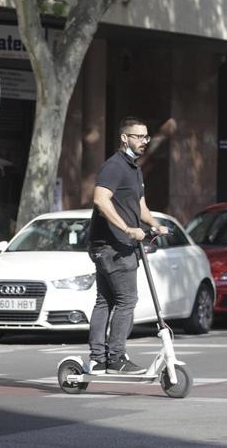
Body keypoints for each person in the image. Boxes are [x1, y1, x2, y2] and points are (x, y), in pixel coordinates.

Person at [87, 116, 169, 374]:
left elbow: (140, 206)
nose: (145, 141)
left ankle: (98, 359)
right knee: (126, 301)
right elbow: (101, 199)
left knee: (105, 301)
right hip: (113, 245)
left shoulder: (134, 168)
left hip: (118, 245)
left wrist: (154, 224)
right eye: (139, 136)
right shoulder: (114, 166)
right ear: (125, 138)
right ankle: (116, 358)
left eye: (146, 136)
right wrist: (127, 229)